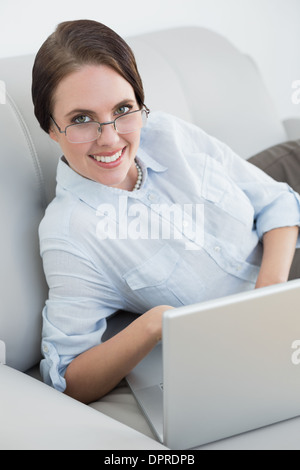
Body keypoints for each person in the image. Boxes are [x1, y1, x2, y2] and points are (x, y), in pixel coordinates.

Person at [32, 19, 300, 405]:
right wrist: (155, 323)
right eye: (81, 119)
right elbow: (67, 377)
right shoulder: (72, 234)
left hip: (283, 215)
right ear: (51, 129)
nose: (110, 138)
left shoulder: (167, 133)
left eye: (123, 109)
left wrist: (269, 296)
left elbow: (275, 200)